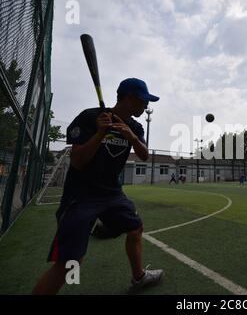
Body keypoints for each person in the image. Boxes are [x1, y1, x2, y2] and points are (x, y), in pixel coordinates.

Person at [32, 78, 163, 295]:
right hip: (81, 196)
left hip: (112, 193)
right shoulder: (90, 118)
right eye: (143, 101)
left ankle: (139, 276)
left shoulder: (135, 126)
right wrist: (99, 133)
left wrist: (130, 136)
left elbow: (144, 155)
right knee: (70, 261)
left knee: (135, 228)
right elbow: (77, 161)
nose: (146, 106)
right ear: (130, 98)